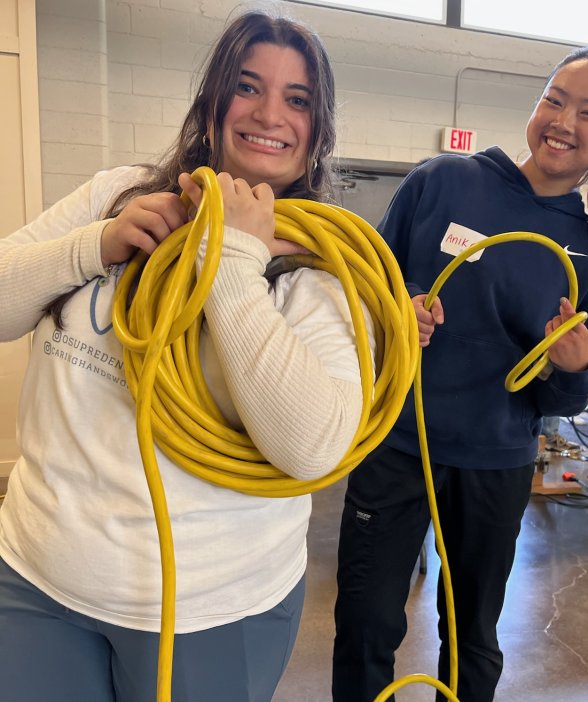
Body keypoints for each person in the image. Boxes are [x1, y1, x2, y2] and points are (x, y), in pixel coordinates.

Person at [0, 11, 363, 702]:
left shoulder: (325, 275)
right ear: (214, 102)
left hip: (207, 613)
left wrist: (234, 263)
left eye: (298, 99)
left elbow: (314, 447)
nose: (268, 113)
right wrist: (94, 244)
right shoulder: (118, 194)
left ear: (318, 130)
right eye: (247, 87)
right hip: (35, 578)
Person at [333, 47, 588, 702]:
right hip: (398, 444)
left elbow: (566, 397)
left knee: (471, 631)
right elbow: (361, 290)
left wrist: (570, 368)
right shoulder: (442, 180)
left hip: (496, 464)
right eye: (554, 99)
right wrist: (396, 315)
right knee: (366, 621)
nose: (563, 121)